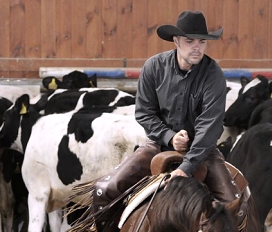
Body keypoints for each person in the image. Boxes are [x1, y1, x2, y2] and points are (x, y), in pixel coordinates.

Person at [90, 10, 240, 217]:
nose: (197, 47)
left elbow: (210, 126)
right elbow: (144, 113)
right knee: (104, 190)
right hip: (157, 146)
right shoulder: (153, 67)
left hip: (202, 151)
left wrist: (186, 168)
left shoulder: (213, 75)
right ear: (176, 41)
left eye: (202, 41)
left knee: (235, 206)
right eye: (190, 41)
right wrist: (169, 137)